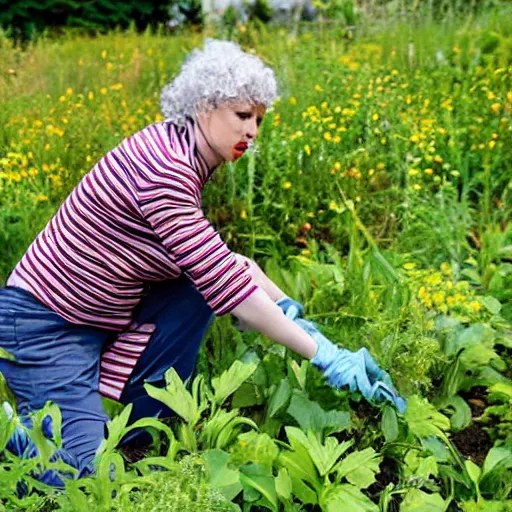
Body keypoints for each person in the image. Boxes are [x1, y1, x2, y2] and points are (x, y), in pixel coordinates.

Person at [0, 39, 405, 487]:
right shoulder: (165, 170)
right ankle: (13, 437)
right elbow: (227, 283)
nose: (252, 132)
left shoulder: (182, 151)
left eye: (258, 120)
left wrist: (295, 315)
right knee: (82, 483)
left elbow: (225, 266)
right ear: (203, 106)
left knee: (197, 287)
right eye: (242, 116)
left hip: (100, 315)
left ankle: (141, 434)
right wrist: (325, 356)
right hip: (45, 324)